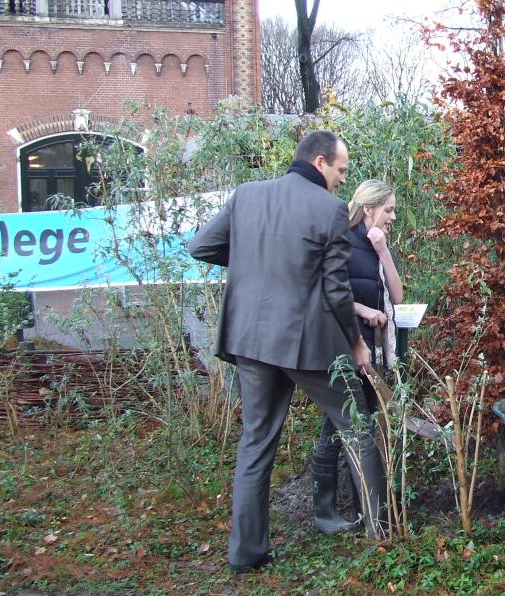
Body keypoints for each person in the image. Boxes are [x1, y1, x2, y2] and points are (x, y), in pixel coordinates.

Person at [187, 130, 386, 575]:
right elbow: (336, 291)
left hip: (251, 341)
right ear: (320, 163)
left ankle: (246, 554)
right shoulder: (329, 209)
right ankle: (382, 531)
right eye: (340, 170)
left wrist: (255, 261)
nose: (341, 179)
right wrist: (356, 343)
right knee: (357, 426)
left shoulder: (246, 196)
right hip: (306, 343)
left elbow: (200, 246)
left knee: (255, 444)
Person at [310, 179, 402, 535]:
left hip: (371, 348)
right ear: (368, 208)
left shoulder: (375, 244)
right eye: (388, 209)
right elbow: (327, 290)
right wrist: (363, 310)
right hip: (343, 347)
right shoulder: (342, 241)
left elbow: (397, 294)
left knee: (339, 424)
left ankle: (336, 507)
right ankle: (354, 511)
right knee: (351, 422)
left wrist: (383, 252)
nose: (393, 216)